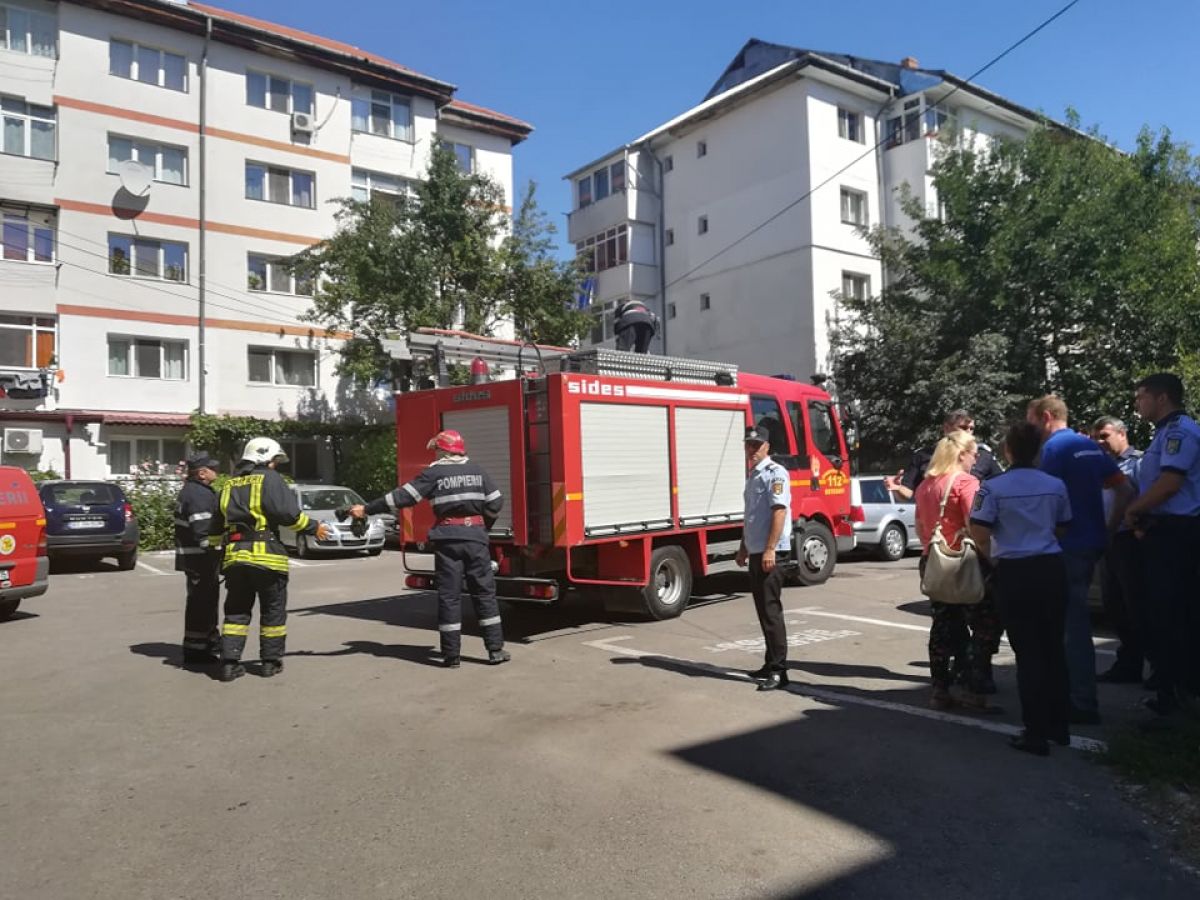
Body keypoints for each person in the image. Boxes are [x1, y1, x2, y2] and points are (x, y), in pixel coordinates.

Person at [349, 430, 510, 668]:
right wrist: (481, 526)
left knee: (449, 597)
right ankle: (495, 650)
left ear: (443, 450)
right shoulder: (478, 470)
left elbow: (401, 497)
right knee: (484, 594)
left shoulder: (434, 473)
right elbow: (496, 501)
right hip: (476, 539)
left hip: (447, 540)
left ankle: (452, 656)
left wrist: (366, 509)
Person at [1028, 396, 1133, 725]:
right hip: (1092, 544)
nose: (1031, 429)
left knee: (1068, 626)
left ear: (1046, 417)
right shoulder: (1090, 447)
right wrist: (1109, 530)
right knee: (1074, 622)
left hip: (1065, 545)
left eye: (1032, 421)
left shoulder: (1053, 450)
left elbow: (1042, 497)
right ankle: (1076, 696)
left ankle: (1080, 701)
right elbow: (1125, 489)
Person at [970, 422, 1073, 756]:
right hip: (1050, 568)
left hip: (1015, 570)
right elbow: (1063, 526)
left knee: (1028, 653)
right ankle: (1059, 725)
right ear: (1038, 451)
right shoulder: (1055, 485)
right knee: (1053, 648)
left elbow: (979, 531)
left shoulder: (992, 488)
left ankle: (1036, 732)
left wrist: (996, 559)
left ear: (1008, 450)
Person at [211, 437, 330, 683]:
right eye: (275, 460)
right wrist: (314, 527)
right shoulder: (270, 478)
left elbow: (215, 525)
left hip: (234, 559)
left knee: (236, 612)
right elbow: (287, 514)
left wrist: (214, 550)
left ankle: (229, 664)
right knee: (272, 611)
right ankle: (269, 662)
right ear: (265, 458)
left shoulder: (229, 484)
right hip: (267, 558)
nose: (276, 465)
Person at [1123, 373, 1200, 721]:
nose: (1137, 403)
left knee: (1174, 616)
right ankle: (1171, 692)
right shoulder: (1164, 432)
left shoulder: (1179, 432)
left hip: (1178, 534)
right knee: (1162, 615)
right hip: (1164, 532)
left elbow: (1170, 483)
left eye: (1141, 396)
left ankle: (1178, 699)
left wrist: (1134, 510)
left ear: (1162, 397)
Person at [914, 430, 996, 711]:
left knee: (942, 626)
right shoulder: (966, 483)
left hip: (934, 560)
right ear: (962, 455)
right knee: (984, 625)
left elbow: (921, 527)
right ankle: (972, 688)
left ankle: (940, 689)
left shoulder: (925, 486)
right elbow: (976, 526)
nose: (976, 459)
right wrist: (992, 559)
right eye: (974, 453)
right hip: (964, 561)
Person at [735, 424, 792, 692]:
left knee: (771, 612)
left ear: (767, 446)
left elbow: (779, 512)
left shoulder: (775, 473)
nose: (752, 450)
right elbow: (752, 516)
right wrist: (744, 547)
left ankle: (780, 671)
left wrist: (770, 549)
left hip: (772, 552)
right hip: (757, 550)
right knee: (762, 610)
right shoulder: (753, 476)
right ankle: (770, 663)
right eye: (749, 445)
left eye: (757, 445)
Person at [1091, 416, 1146, 684]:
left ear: (1122, 434)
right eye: (1096, 438)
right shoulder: (1100, 466)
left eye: (1104, 436)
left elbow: (1144, 497)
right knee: (1114, 605)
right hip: (1107, 540)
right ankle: (1128, 663)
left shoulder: (1138, 463)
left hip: (1129, 540)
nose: (1100, 442)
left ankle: (1158, 670)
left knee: (1136, 605)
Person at [887, 409, 1003, 500]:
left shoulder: (982, 456)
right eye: (963, 427)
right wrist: (897, 488)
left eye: (971, 428)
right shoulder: (924, 455)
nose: (968, 432)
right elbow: (907, 493)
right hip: (935, 517)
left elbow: (1002, 488)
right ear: (946, 428)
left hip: (971, 516)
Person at [174, 452, 222, 665]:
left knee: (203, 602)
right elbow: (203, 533)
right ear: (202, 473)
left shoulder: (194, 491)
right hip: (200, 559)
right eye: (213, 468)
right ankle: (197, 650)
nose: (216, 471)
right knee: (202, 604)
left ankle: (207, 641)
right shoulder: (198, 495)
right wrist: (218, 553)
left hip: (195, 559)